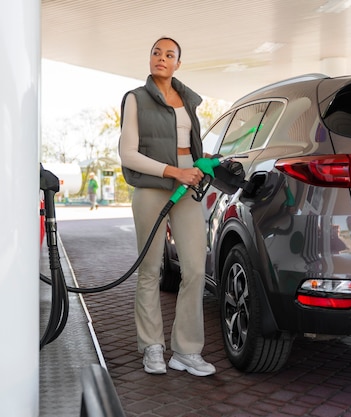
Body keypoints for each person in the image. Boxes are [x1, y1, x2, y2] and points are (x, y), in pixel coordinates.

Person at [118, 37, 215, 377]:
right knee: (150, 271)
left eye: (169, 54)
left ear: (178, 64)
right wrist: (174, 171)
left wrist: (203, 166)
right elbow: (128, 153)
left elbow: (190, 146)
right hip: (152, 188)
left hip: (188, 189)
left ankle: (186, 351)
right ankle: (152, 346)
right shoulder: (136, 99)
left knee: (196, 269)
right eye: (156, 52)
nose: (161, 58)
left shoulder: (187, 100)